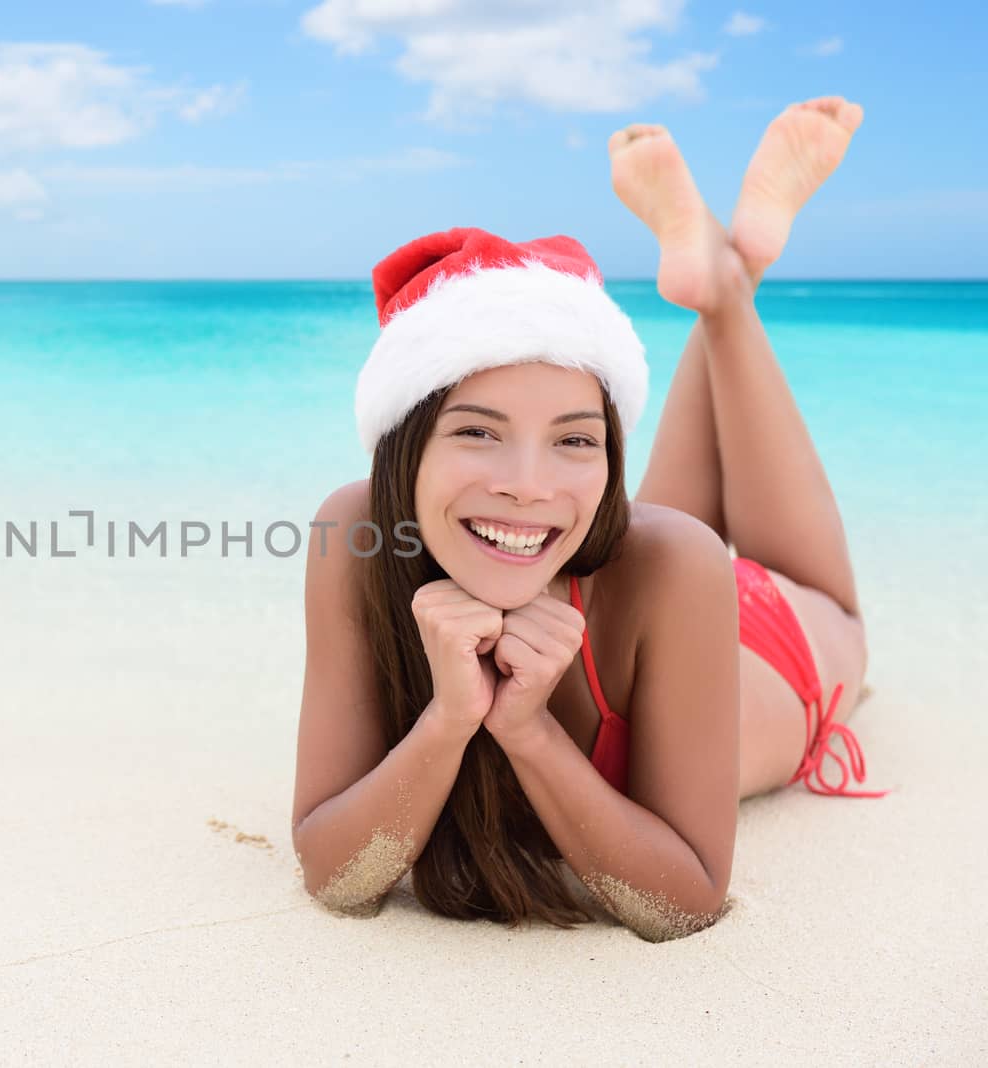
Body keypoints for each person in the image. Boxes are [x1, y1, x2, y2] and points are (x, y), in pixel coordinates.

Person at [289, 97, 886, 942]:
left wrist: (528, 732)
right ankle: (722, 274)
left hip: (769, 638)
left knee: (839, 619)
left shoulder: (671, 553)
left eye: (576, 439)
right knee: (649, 534)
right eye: (477, 432)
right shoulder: (353, 536)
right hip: (640, 593)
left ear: (610, 451)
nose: (529, 484)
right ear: (403, 447)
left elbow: (686, 900)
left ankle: (726, 292)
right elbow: (333, 872)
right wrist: (448, 721)